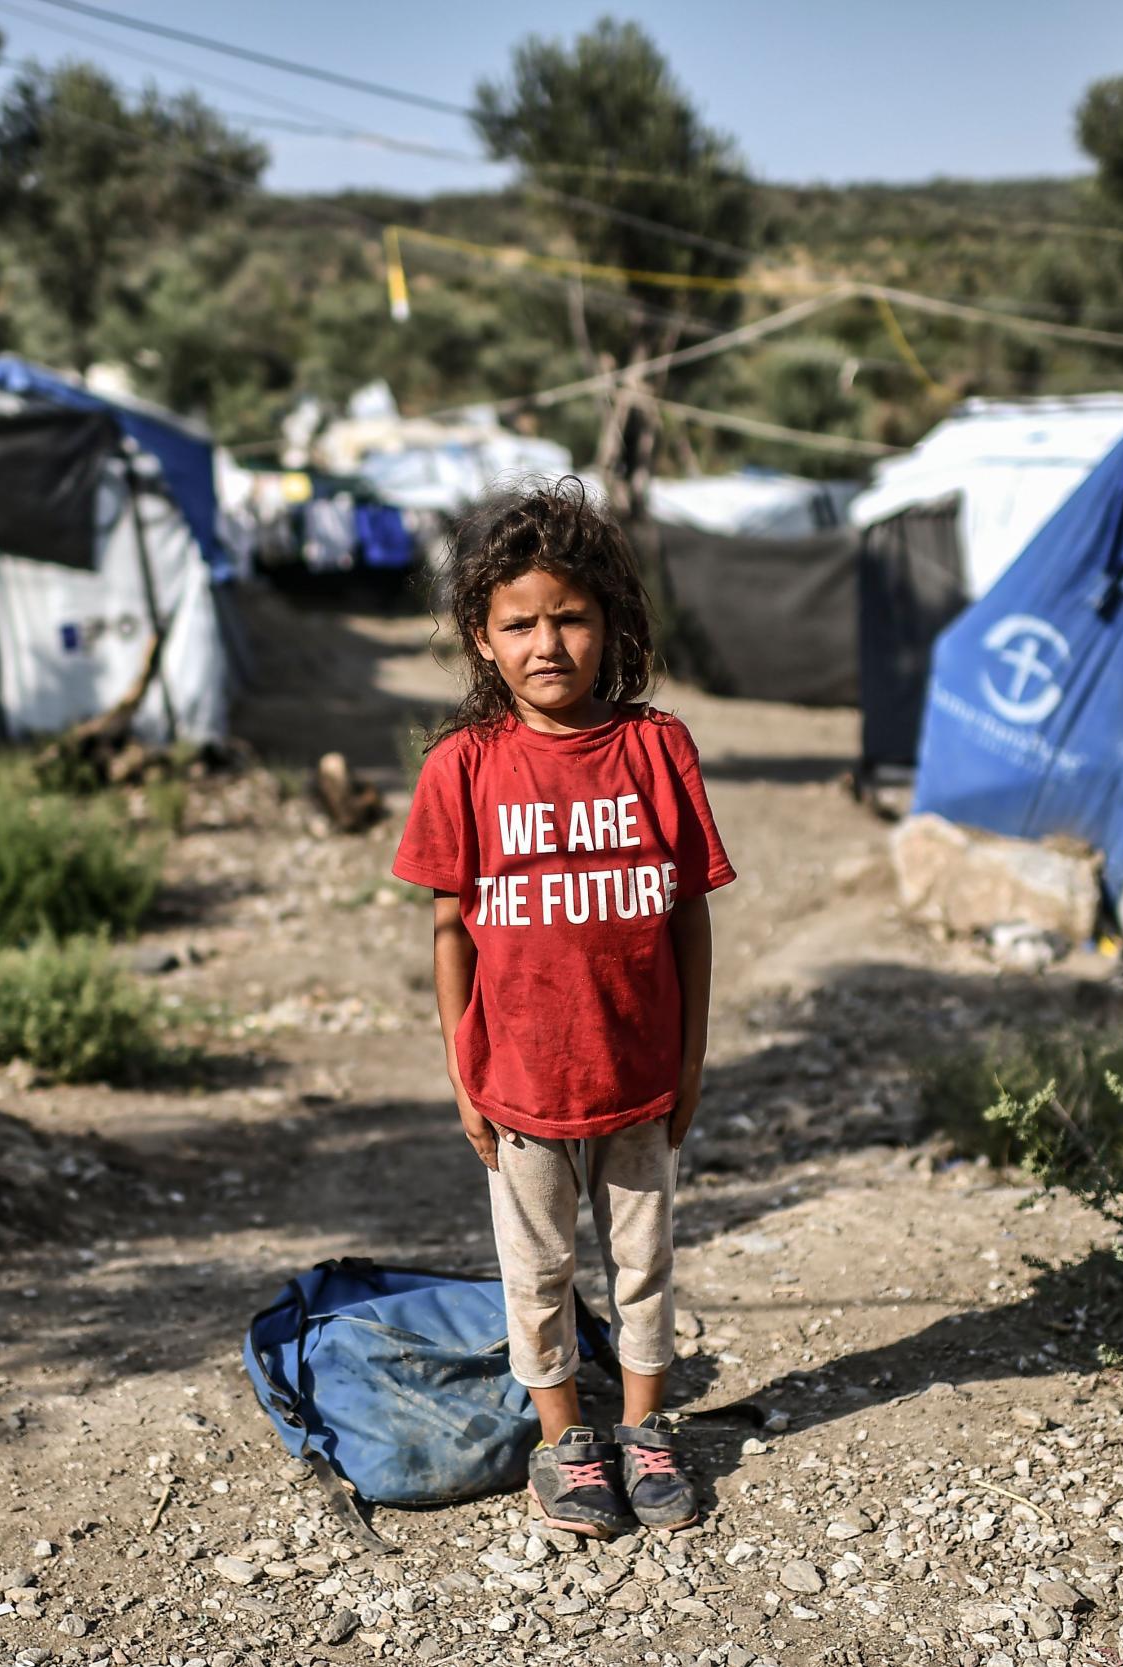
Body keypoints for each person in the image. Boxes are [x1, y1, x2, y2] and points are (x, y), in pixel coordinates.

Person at [392, 479, 734, 1538]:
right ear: (481, 638)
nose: (548, 642)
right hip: (521, 1082)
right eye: (519, 622)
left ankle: (642, 1426)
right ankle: (563, 1442)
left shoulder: (656, 750)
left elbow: (687, 919)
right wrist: (462, 1072)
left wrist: (686, 1062)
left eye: (570, 616)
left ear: (611, 624)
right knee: (536, 1273)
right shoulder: (464, 766)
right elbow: (452, 929)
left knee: (643, 1262)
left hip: (637, 1076)